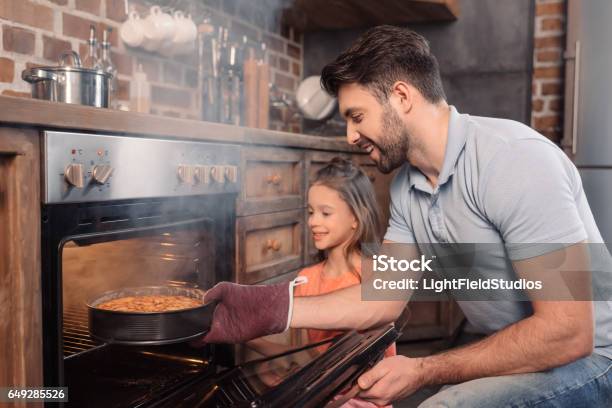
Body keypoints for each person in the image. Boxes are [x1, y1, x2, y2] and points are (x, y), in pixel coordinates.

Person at [201, 25, 612, 407]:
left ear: (401, 96)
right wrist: (269, 307)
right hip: (524, 350)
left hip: (594, 360)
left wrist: (423, 370)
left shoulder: (513, 160)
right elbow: (380, 299)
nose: (350, 137)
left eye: (356, 117)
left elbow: (568, 333)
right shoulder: (406, 187)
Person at [247, 157, 396, 407]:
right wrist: (245, 336)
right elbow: (308, 359)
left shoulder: (375, 276)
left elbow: (380, 370)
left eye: (326, 213)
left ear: (356, 218)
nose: (313, 221)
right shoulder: (307, 278)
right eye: (311, 212)